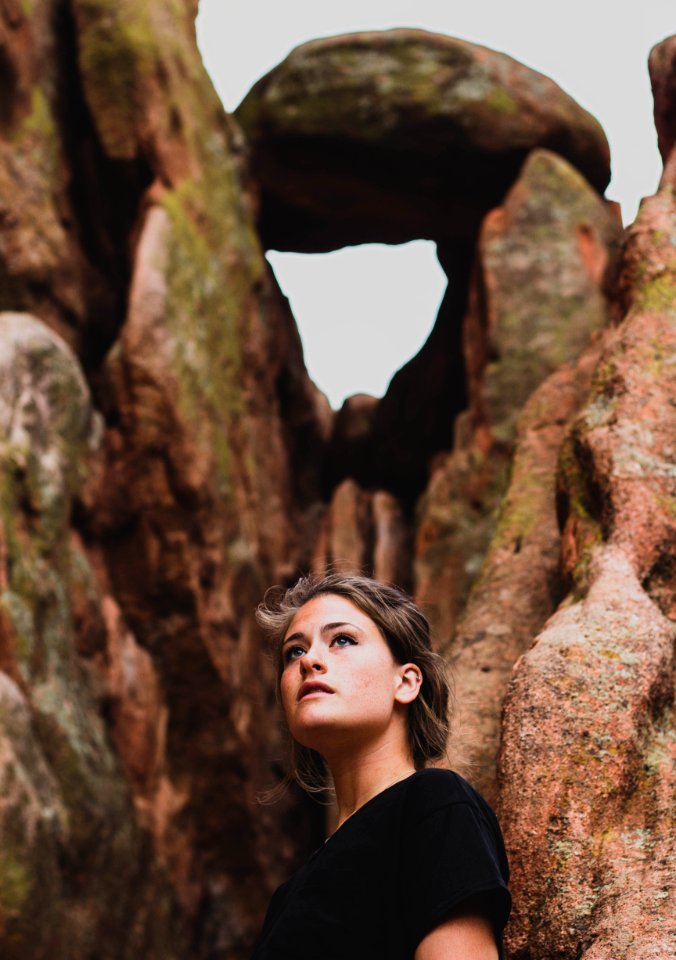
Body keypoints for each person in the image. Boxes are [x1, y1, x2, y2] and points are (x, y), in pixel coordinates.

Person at [251, 573, 510, 960]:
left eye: (342, 640)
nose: (310, 662)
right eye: (294, 652)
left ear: (405, 682)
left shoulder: (435, 805)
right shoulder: (287, 897)